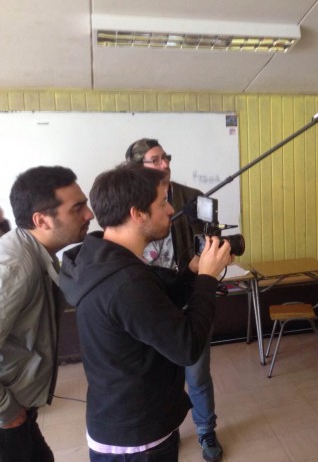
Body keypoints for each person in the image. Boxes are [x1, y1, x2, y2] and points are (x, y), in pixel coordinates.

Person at [59, 165, 232, 462]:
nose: (170, 210)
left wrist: (191, 273)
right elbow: (188, 346)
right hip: (137, 441)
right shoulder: (125, 282)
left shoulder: (100, 260)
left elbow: (153, 306)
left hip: (122, 419)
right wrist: (207, 279)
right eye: (162, 202)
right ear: (137, 213)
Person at [124, 138, 223, 461]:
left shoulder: (188, 196)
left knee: (196, 375)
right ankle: (168, 428)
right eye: (155, 160)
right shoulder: (125, 200)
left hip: (186, 297)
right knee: (156, 376)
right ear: (137, 166)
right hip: (148, 302)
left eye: (165, 157)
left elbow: (209, 236)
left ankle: (206, 431)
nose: (164, 164)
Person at [0, 166, 94, 461]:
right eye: (78, 208)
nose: (89, 214)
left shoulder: (33, 253)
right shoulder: (16, 267)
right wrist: (8, 412)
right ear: (41, 220)